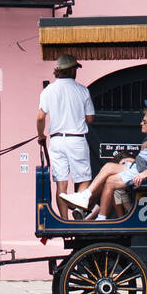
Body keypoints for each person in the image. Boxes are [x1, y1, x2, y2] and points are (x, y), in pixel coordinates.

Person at [62, 96, 147, 220]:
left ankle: (100, 217)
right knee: (108, 167)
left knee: (110, 181)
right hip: (142, 165)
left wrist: (146, 173)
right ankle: (85, 197)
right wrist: (146, 146)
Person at [36, 53, 95, 219]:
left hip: (56, 140)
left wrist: (41, 135)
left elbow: (40, 117)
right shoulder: (82, 90)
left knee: (61, 183)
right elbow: (90, 118)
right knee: (83, 179)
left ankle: (64, 220)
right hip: (76, 138)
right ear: (72, 70)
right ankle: (79, 210)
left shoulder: (48, 91)